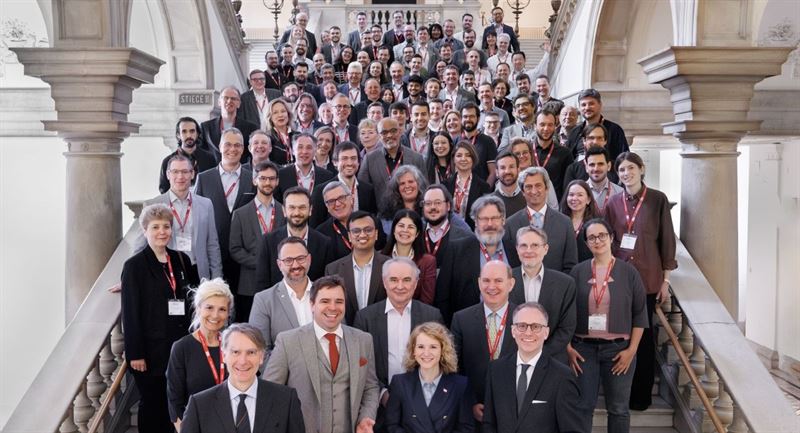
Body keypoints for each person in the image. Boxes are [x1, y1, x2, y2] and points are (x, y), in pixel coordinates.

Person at [604, 152, 677, 411]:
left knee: (643, 340)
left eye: (631, 168)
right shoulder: (613, 203)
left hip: (647, 280)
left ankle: (640, 396)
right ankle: (619, 393)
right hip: (620, 279)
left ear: (641, 169)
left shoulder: (657, 199)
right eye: (622, 170)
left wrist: (666, 280)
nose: (627, 173)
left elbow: (667, 240)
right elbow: (608, 240)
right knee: (620, 337)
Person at [264, 275, 381, 433]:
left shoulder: (363, 340)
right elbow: (270, 392)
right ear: (312, 304)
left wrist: (366, 417)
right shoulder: (288, 341)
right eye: (325, 301)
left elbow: (371, 387)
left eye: (339, 301)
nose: (333, 307)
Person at [122, 204, 198, 433]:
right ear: (145, 230)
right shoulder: (134, 266)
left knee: (176, 404)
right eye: (155, 227)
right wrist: (135, 353)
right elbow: (130, 313)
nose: (162, 232)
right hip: (149, 353)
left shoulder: (182, 260)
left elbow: (194, 302)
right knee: (153, 405)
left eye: (166, 226)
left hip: (180, 347)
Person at [568, 218, 648, 433]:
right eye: (592, 237)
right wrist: (568, 347)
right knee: (583, 407)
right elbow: (566, 312)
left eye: (602, 235)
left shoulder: (629, 272)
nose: (598, 241)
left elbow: (640, 314)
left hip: (619, 350)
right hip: (583, 350)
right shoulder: (577, 272)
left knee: (618, 408)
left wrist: (631, 351)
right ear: (586, 243)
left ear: (611, 238)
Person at [353, 258, 444, 430]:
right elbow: (360, 365)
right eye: (394, 280)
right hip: (379, 409)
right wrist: (382, 394)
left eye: (407, 280)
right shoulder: (365, 318)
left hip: (423, 408)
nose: (400, 286)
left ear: (416, 283)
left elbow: (441, 362)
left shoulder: (432, 316)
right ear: (384, 282)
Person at [179, 323, 305, 433]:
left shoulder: (286, 399)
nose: (243, 361)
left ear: (261, 357)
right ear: (224, 355)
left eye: (251, 352)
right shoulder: (199, 405)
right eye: (236, 352)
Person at [482, 302, 584, 433]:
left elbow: (573, 429)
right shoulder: (496, 370)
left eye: (536, 327)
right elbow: (489, 423)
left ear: (546, 332)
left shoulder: (562, 376)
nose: (528, 333)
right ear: (513, 331)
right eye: (522, 326)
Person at [450, 260, 517, 426]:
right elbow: (454, 367)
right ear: (479, 283)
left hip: (516, 412)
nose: (491, 286)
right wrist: (470, 402)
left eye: (498, 280)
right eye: (486, 280)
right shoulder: (461, 319)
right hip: (474, 413)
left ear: (511, 284)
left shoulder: (524, 319)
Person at [436, 196, 521, 323]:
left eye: (495, 218)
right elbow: (442, 297)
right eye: (484, 219)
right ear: (476, 222)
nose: (490, 224)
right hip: (468, 327)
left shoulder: (515, 251)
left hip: (509, 325)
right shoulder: (456, 250)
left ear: (503, 220)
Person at [167, 278, 233, 431]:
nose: (215, 315)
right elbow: (174, 401)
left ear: (228, 313)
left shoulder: (233, 345)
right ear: (198, 309)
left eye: (222, 309)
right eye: (209, 307)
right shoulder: (181, 348)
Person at [195, 127, 256, 292]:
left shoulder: (252, 178)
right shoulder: (204, 178)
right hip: (213, 252)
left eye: (237, 145)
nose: (232, 149)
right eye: (228, 144)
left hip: (244, 254)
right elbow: (196, 215)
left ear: (243, 149)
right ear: (220, 146)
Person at [385, 321, 474, 433]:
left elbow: (466, 428)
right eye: (421, 347)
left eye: (433, 347)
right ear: (413, 350)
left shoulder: (460, 385)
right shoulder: (400, 383)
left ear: (442, 350)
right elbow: (392, 426)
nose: (426, 353)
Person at [145, 154, 222, 282]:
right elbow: (141, 246)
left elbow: (212, 245)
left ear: (192, 174)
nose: (180, 176)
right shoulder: (152, 205)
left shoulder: (206, 204)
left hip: (198, 272)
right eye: (175, 172)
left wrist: (217, 278)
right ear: (168, 174)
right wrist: (129, 276)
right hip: (166, 271)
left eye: (185, 172)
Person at [229, 161, 286, 321]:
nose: (267, 182)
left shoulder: (285, 211)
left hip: (279, 281)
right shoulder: (240, 214)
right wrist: (260, 262)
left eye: (272, 178)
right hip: (249, 284)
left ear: (277, 181)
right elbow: (235, 249)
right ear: (254, 180)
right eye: (263, 178)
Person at [510, 227, 577, 362]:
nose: (529, 250)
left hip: (552, 359)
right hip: (512, 358)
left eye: (535, 245)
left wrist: (539, 355)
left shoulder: (565, 283)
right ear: (517, 249)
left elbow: (567, 328)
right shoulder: (503, 279)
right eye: (523, 245)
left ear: (545, 249)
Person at [249, 236, 315, 364]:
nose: (295, 265)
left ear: (309, 259)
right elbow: (259, 351)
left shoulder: (326, 295)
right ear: (279, 264)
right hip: (285, 375)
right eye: (288, 260)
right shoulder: (263, 300)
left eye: (300, 258)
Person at [254, 187, 332, 289]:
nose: (297, 213)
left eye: (302, 207)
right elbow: (262, 283)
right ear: (284, 210)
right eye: (292, 207)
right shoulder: (268, 242)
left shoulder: (324, 243)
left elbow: (327, 283)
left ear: (310, 210)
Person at [504, 167, 578, 273]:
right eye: (528, 187)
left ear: (546, 188)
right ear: (522, 191)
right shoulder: (510, 224)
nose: (534, 191)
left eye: (538, 185)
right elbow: (510, 266)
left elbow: (571, 265)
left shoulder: (565, 223)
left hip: (556, 283)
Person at [324, 211, 391, 325]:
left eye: (368, 230)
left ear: (376, 234)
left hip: (381, 329)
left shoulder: (390, 265)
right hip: (347, 331)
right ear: (349, 236)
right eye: (356, 231)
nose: (362, 235)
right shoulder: (333, 269)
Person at [358, 117, 426, 211]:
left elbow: (424, 189)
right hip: (381, 215)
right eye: (384, 132)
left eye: (393, 131)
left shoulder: (416, 158)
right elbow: (363, 191)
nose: (389, 135)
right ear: (379, 136)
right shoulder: (369, 159)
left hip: (411, 214)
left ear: (400, 132)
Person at [311, 141, 379, 226]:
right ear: (335, 162)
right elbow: (315, 226)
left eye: (353, 158)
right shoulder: (321, 190)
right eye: (344, 158)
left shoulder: (368, 190)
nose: (349, 163)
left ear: (359, 162)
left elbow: (372, 222)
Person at [381, 210, 437, 305]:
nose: (405, 230)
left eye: (411, 227)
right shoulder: (381, 258)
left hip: (415, 313)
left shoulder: (428, 262)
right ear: (394, 230)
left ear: (417, 233)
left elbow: (427, 300)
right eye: (401, 226)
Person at [565, 88, 629, 161]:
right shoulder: (575, 132)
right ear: (579, 108)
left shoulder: (614, 130)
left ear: (600, 105)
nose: (587, 108)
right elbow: (568, 160)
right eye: (583, 105)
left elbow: (623, 159)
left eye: (591, 104)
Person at [200, 87, 259, 164]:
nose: (229, 101)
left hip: (241, 169)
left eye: (233, 98)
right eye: (226, 98)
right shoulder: (206, 127)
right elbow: (202, 153)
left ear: (239, 104)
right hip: (214, 169)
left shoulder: (251, 128)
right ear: (219, 102)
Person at [158, 117, 216, 194]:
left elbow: (213, 186)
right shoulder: (167, 161)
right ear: (178, 135)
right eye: (184, 131)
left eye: (192, 131)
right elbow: (163, 190)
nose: (188, 135)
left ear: (197, 134)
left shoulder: (210, 159)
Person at [421, 184, 474, 266]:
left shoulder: (464, 237)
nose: (433, 207)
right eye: (428, 203)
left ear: (448, 206)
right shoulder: (416, 233)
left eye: (438, 203)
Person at [443, 141, 491, 230]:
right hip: (449, 232)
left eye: (468, 155)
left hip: (473, 233)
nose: (463, 159)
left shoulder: (484, 187)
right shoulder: (444, 186)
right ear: (453, 159)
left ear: (473, 159)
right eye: (459, 155)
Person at [275, 133, 335, 200]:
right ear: (293, 151)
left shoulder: (327, 177)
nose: (304, 152)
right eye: (300, 147)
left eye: (309, 148)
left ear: (315, 151)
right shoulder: (281, 175)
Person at [531, 110, 574, 200]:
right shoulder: (526, 150)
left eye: (550, 125)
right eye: (542, 124)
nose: (546, 128)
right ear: (535, 126)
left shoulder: (565, 153)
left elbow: (568, 185)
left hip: (555, 203)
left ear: (555, 127)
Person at [561, 180, 601, 262]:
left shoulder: (596, 224)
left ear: (588, 200)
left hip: (586, 267)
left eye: (580, 195)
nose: (574, 198)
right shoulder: (559, 221)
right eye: (571, 195)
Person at [379, 165, 428, 232]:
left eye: (410, 181)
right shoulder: (387, 216)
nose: (407, 186)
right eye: (402, 183)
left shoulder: (428, 211)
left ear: (419, 184)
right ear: (397, 188)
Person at [316, 181, 357, 260]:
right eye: (331, 201)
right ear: (327, 207)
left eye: (341, 198)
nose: (337, 204)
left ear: (351, 199)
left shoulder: (369, 222)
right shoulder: (320, 234)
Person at [459, 102, 498, 183]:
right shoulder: (456, 141)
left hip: (480, 189)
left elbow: (493, 172)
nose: (468, 119)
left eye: (471, 116)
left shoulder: (488, 141)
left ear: (478, 118)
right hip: (459, 189)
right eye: (465, 116)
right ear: (461, 119)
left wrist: (486, 189)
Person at [492, 151, 526, 217]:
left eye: (511, 167)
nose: (507, 171)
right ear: (497, 172)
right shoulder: (489, 202)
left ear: (518, 170)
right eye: (502, 168)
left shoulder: (529, 199)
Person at [265, 98, 296, 165]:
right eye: (275, 112)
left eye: (283, 111)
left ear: (288, 114)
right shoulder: (267, 138)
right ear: (270, 117)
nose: (280, 115)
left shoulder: (297, 136)